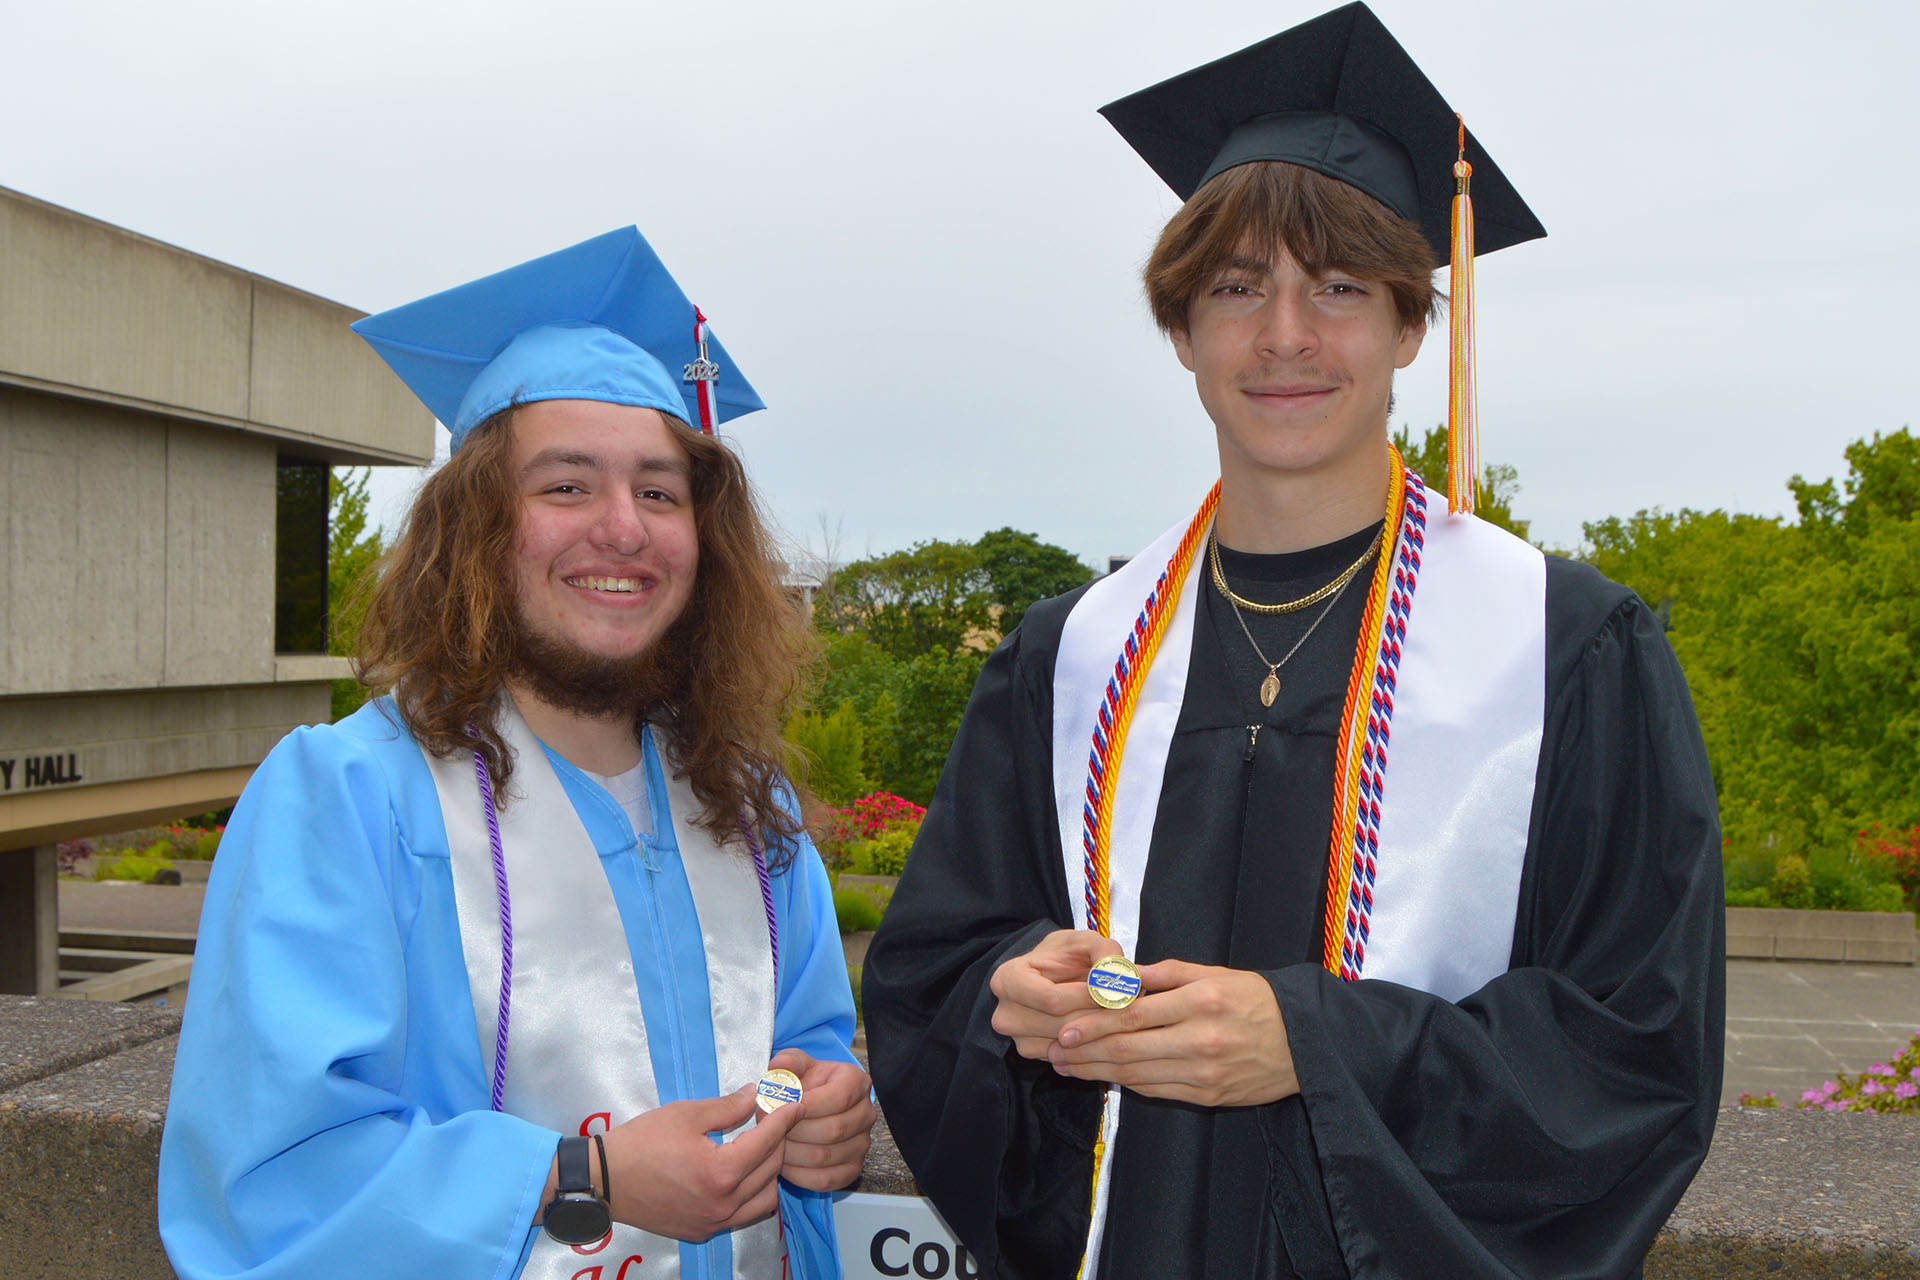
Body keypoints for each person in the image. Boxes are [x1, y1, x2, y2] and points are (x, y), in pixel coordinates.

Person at [861, 5, 1723, 1278]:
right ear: (1182, 332)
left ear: (1410, 327)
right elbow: (932, 970)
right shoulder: (1070, 660)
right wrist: (1016, 992)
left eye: (1337, 289)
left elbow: (1639, 1046)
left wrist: (1316, 1043)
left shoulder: (1564, 649)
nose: (1284, 337)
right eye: (1236, 288)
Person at [158, 226, 873, 1280]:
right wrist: (583, 1173)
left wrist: (828, 1117)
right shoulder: (349, 797)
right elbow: (266, 1174)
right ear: (477, 531)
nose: (623, 528)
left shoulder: (745, 802)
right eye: (567, 486)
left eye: (661, 491)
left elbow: (813, 1044)